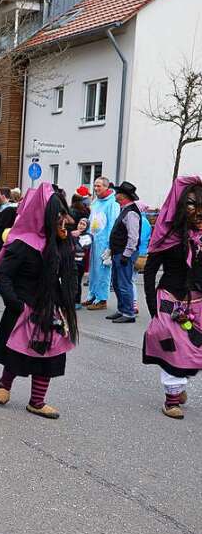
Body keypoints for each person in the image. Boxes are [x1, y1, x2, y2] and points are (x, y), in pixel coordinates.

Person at [0, 184, 79, 419]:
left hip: (51, 309)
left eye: (63, 213)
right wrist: (15, 304)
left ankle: (37, 402)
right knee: (18, 353)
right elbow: (4, 274)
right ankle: (4, 384)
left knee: (50, 354)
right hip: (25, 307)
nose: (63, 218)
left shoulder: (60, 242)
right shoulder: (23, 243)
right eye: (57, 213)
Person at [142, 177, 202, 418]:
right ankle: (171, 399)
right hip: (170, 299)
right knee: (173, 349)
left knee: (194, 348)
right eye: (192, 205)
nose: (198, 213)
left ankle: (181, 380)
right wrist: (151, 305)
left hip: (198, 302)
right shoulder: (167, 235)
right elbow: (150, 269)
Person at [107, 181, 142, 323]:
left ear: (123, 196)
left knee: (124, 283)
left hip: (124, 254)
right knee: (117, 283)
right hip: (119, 252)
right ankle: (122, 309)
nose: (115, 195)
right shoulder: (125, 210)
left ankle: (128, 313)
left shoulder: (131, 212)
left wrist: (126, 254)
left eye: (117, 193)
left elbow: (133, 237)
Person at [85, 176, 119, 310]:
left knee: (103, 270)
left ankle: (102, 298)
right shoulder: (95, 202)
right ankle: (92, 295)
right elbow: (90, 220)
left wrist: (111, 245)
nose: (96, 188)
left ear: (107, 186)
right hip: (94, 240)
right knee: (93, 270)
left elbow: (113, 224)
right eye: (95, 185)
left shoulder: (112, 203)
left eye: (99, 186)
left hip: (105, 242)